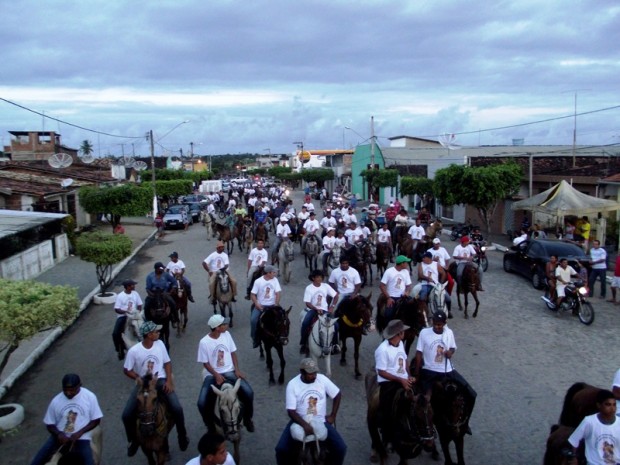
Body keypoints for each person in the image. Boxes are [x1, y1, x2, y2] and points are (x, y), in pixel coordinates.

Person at [122, 321, 189, 456]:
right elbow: (126, 369)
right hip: (144, 384)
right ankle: (133, 440)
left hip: (160, 380)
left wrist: (169, 381)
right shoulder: (134, 351)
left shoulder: (160, 344)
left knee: (177, 408)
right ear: (148, 335)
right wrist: (138, 377)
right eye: (155, 332)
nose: (158, 333)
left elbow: (167, 363)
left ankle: (182, 435)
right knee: (127, 414)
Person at [414, 311, 476, 434]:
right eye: (436, 324)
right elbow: (419, 353)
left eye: (440, 324)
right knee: (426, 400)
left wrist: (450, 352)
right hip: (430, 371)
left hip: (447, 370)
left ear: (444, 323)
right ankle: (423, 428)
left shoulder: (449, 333)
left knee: (471, 394)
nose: (437, 327)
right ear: (432, 322)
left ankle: (465, 422)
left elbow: (453, 347)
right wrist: (416, 373)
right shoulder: (424, 333)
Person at [275, 358, 347, 465]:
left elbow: (337, 394)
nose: (314, 376)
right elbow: (291, 411)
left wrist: (333, 415)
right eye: (310, 374)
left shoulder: (322, 379)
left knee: (341, 448)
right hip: (299, 421)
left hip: (321, 421)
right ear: (302, 372)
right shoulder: (293, 384)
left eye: (315, 373)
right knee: (281, 449)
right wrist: (304, 425)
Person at [197, 315, 255, 433]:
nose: (227, 326)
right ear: (217, 328)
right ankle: (210, 425)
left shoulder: (227, 335)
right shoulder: (204, 342)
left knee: (249, 393)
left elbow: (233, 353)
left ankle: (247, 418)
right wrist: (216, 375)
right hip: (212, 374)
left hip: (229, 371)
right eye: (224, 324)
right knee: (201, 403)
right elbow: (205, 363)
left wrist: (237, 370)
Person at [30, 374, 103, 465]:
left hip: (82, 437)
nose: (68, 393)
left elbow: (96, 420)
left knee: (89, 462)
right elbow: (49, 424)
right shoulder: (56, 401)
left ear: (79, 386)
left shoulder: (89, 397)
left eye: (72, 390)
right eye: (65, 390)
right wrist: (59, 434)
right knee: (37, 461)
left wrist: (79, 433)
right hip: (60, 437)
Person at [375, 319, 414, 443]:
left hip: (403, 377)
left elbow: (405, 360)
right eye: (403, 331)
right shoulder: (382, 350)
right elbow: (381, 372)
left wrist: (409, 375)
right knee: (387, 408)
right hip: (389, 381)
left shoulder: (401, 344)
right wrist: (400, 380)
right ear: (399, 334)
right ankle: (385, 432)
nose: (405, 333)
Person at [568, 389, 620, 463]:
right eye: (608, 405)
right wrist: (573, 458)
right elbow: (574, 441)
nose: (612, 409)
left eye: (614, 405)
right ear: (599, 405)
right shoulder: (589, 422)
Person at [300, 269, 339, 354]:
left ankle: (335, 344)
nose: (320, 279)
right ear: (313, 278)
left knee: (335, 325)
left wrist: (332, 307)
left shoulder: (325, 286)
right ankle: (303, 343)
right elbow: (307, 302)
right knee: (305, 323)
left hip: (325, 310)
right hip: (313, 310)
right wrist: (316, 309)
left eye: (321, 277)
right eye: (317, 277)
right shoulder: (309, 288)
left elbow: (336, 296)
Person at [250, 265, 281, 348]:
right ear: (268, 273)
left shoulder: (275, 280)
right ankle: (254, 338)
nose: (275, 274)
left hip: (272, 305)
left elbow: (278, 293)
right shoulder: (258, 281)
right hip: (261, 306)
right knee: (253, 320)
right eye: (273, 272)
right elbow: (253, 294)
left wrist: (276, 304)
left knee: (283, 318)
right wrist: (256, 303)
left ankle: (282, 336)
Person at [113, 279, 143, 360]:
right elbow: (116, 309)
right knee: (115, 333)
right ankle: (119, 349)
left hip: (135, 314)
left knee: (147, 326)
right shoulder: (120, 296)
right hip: (123, 316)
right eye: (132, 285)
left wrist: (138, 312)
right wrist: (125, 311)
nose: (134, 286)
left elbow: (139, 304)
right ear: (128, 287)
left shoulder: (135, 293)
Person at [379, 255, 413, 321]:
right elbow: (382, 285)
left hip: (403, 297)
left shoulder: (406, 272)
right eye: (406, 262)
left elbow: (408, 285)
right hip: (392, 297)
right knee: (388, 315)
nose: (407, 264)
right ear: (402, 263)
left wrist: (407, 292)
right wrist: (388, 298)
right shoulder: (389, 271)